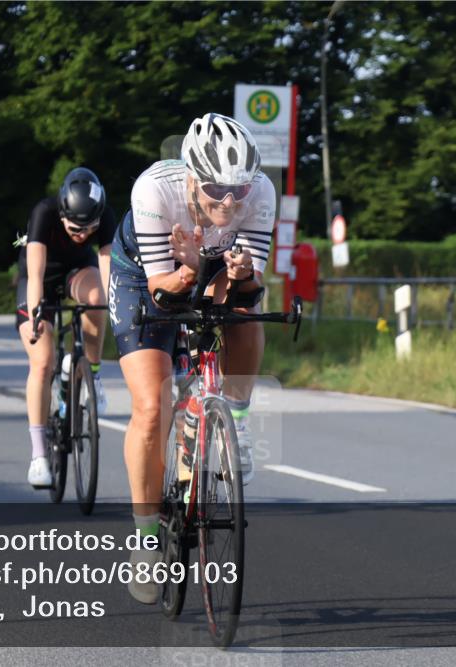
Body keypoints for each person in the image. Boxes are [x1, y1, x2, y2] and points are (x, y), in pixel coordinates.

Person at [108, 113, 274, 602]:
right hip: (145, 277)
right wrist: (193, 270)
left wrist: (238, 274)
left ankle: (233, 420)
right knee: (153, 406)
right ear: (191, 179)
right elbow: (163, 294)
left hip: (205, 263)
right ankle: (144, 538)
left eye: (239, 191)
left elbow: (249, 287)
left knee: (246, 313)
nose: (229, 201)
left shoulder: (261, 192)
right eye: (216, 190)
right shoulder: (154, 193)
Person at [17, 167, 115, 488]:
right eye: (75, 229)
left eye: (90, 229)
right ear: (62, 214)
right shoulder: (44, 213)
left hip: (76, 271)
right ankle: (39, 456)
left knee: (98, 297)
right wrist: (35, 316)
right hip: (40, 279)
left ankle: (93, 373)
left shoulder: (105, 215)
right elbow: (34, 275)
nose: (83, 235)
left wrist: (115, 311)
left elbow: (106, 271)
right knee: (43, 361)